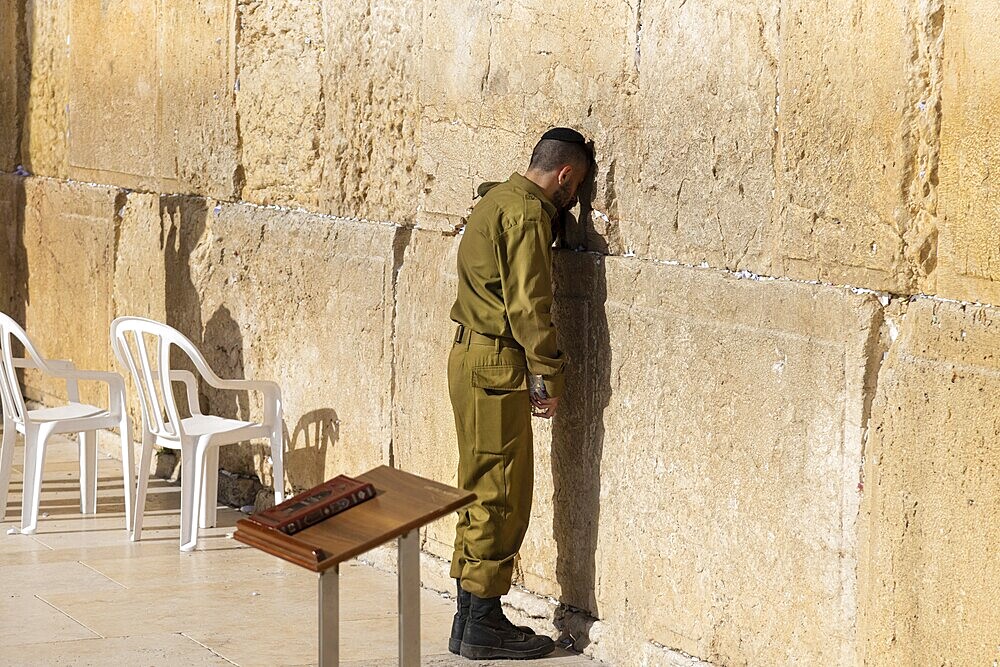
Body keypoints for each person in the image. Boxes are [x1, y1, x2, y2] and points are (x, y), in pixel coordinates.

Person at [447, 127, 591, 660]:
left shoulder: (494, 200)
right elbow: (530, 306)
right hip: (497, 363)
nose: (571, 202)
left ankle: (469, 617)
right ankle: (483, 621)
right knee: (500, 493)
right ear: (565, 175)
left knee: (479, 484)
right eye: (573, 192)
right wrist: (547, 375)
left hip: (470, 356)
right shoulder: (526, 214)